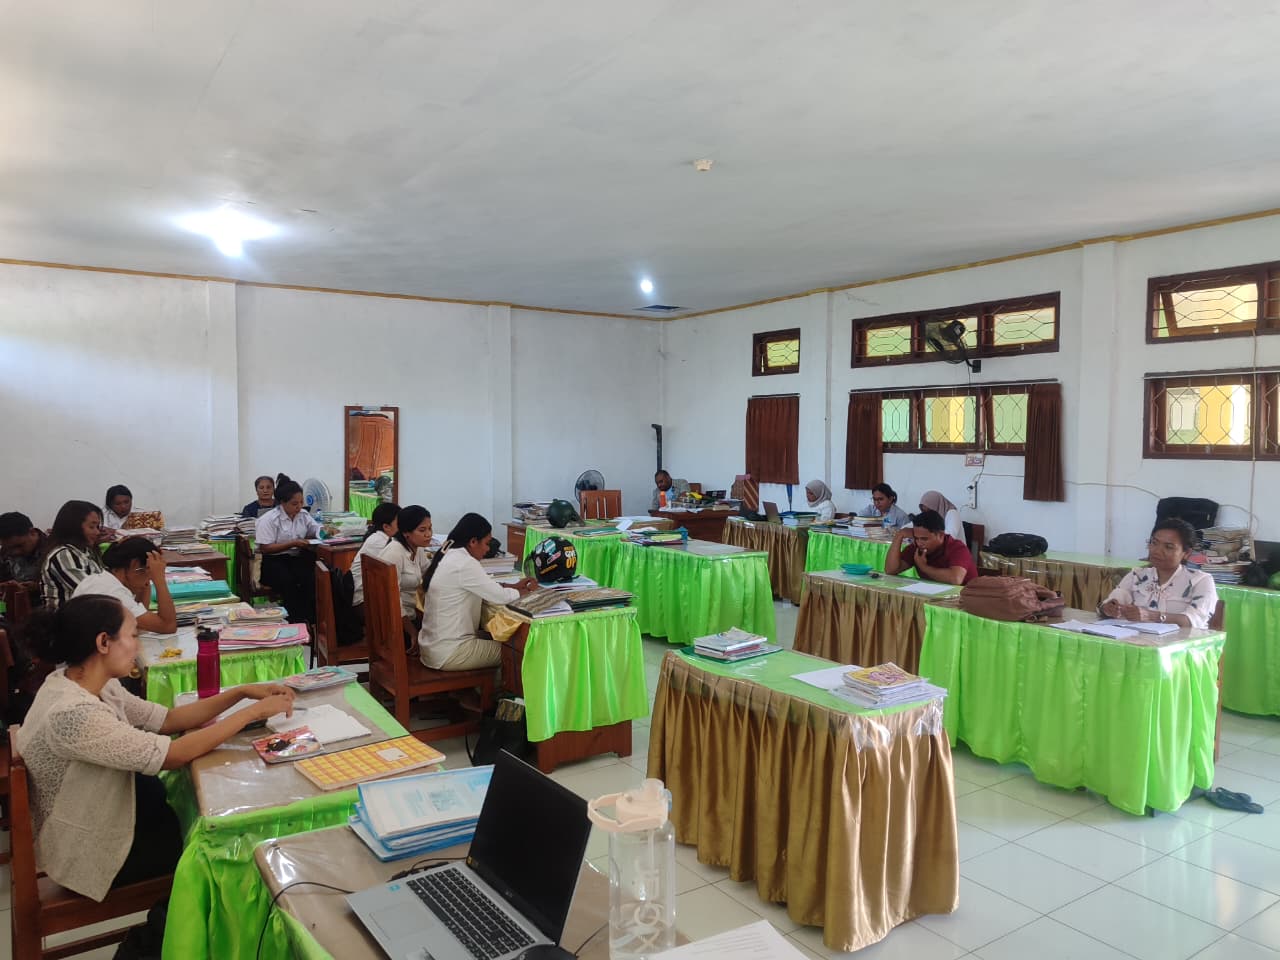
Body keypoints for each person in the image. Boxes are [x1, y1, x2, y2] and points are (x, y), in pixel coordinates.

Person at [15, 596, 295, 902]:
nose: (138, 647)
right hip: (96, 850)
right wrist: (252, 713)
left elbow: (167, 720)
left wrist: (241, 693)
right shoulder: (73, 712)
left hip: (119, 820)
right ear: (103, 642)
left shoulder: (85, 682)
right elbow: (172, 755)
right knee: (227, 853)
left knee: (204, 811)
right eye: (133, 636)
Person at [418, 513, 537, 671]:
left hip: (433, 646)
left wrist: (513, 587)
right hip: (450, 651)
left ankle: (480, 691)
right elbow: (500, 597)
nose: (488, 549)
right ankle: (498, 694)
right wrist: (528, 593)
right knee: (519, 652)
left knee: (500, 639)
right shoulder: (465, 563)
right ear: (473, 542)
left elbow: (483, 585)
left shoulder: (450, 553)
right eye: (487, 544)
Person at [1100, 518, 1218, 629]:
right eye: (1154, 543)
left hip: (1181, 647)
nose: (1157, 550)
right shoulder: (1137, 575)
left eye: (1168, 547)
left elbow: (1193, 620)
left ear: (1186, 553)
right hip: (1140, 641)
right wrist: (1108, 608)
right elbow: (1113, 602)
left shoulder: (1200, 580)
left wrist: (1152, 616)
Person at [73, 536, 178, 634]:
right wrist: (159, 579)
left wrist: (147, 576)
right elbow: (168, 626)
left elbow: (139, 623)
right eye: (149, 571)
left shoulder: (103, 580)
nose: (149, 579)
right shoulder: (112, 592)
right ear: (135, 565)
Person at [255, 475, 321, 623]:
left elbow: (315, 529)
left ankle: (313, 620)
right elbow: (265, 548)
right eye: (294, 504)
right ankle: (295, 622)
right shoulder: (269, 519)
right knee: (289, 583)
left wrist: (324, 532)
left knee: (312, 579)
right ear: (282, 503)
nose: (299, 507)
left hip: (296, 559)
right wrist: (293, 543)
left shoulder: (303, 515)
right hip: (274, 562)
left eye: (301, 502)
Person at [376, 505, 434, 642]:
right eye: (422, 530)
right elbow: (392, 601)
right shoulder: (394, 553)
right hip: (397, 625)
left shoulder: (416, 548)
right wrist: (413, 633)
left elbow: (430, 572)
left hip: (411, 615)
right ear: (406, 532)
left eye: (430, 528)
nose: (429, 534)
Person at [40, 501, 106, 610]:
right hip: (65, 622)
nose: (97, 532)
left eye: (97, 527)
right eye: (92, 527)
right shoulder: (64, 555)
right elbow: (93, 592)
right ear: (74, 527)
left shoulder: (86, 551)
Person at [885, 509, 977, 585]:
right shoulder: (916, 548)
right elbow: (891, 570)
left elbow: (955, 579)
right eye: (916, 538)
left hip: (965, 599)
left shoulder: (957, 548)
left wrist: (924, 567)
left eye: (924, 539)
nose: (919, 543)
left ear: (940, 535)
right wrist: (899, 536)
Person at [351, 501, 399, 609]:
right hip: (363, 601)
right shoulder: (379, 542)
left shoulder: (378, 537)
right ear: (386, 527)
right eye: (400, 523)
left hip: (367, 595)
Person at [0, 511, 48, 584]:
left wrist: (36, 587)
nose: (15, 552)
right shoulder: (5, 552)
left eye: (19, 546)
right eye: (8, 548)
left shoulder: (55, 551)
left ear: (32, 533)